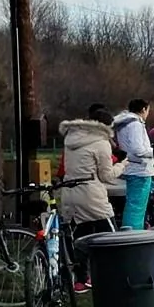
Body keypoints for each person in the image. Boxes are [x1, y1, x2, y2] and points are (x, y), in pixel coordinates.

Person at [59, 104, 125, 291]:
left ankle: (80, 280)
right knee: (113, 236)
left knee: (80, 238)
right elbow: (107, 176)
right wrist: (123, 165)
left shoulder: (71, 138)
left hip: (70, 193)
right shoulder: (101, 143)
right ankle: (119, 275)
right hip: (91, 195)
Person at [112, 98, 154, 231]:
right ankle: (134, 234)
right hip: (140, 169)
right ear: (143, 109)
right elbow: (138, 149)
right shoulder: (135, 124)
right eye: (148, 110)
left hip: (131, 167)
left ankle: (131, 231)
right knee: (136, 206)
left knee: (132, 204)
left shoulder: (124, 123)